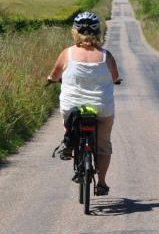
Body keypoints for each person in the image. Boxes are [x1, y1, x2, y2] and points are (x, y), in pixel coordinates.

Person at [48, 11, 121, 196]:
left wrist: (51, 79)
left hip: (72, 107)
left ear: (75, 31)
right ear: (98, 32)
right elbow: (115, 77)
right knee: (103, 145)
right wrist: (116, 80)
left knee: (69, 118)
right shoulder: (107, 56)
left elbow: (55, 75)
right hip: (102, 108)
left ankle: (69, 141)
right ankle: (102, 183)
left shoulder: (67, 54)